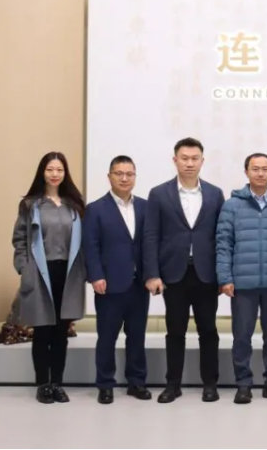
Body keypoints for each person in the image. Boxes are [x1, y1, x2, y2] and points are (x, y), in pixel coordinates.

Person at [143, 138, 225, 404]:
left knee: (208, 331)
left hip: (206, 274)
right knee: (175, 331)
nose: (190, 163)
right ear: (175, 160)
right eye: (184, 158)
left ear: (202, 161)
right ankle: (173, 385)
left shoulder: (215, 194)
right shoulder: (159, 194)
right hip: (173, 274)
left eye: (194, 158)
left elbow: (221, 237)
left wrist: (223, 275)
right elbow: (151, 236)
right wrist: (152, 274)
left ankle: (210, 384)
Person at [216, 153, 267, 405]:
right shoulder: (232, 206)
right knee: (242, 336)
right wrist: (225, 278)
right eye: (255, 169)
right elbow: (223, 244)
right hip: (243, 285)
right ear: (246, 172)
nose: (260, 173)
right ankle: (243, 384)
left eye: (265, 169)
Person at [11, 152, 87, 404]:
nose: (55, 174)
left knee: (61, 333)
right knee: (42, 331)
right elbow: (19, 239)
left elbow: (84, 241)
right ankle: (43, 384)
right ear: (42, 172)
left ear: (65, 173)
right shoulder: (30, 205)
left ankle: (57, 383)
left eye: (60, 170)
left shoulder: (74, 205)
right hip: (40, 273)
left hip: (68, 273)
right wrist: (24, 268)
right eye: (50, 169)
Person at [84, 155, 150, 404]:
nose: (124, 178)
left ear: (135, 176)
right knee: (107, 337)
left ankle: (137, 382)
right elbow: (90, 246)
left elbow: (150, 243)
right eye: (118, 173)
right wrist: (96, 276)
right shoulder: (95, 209)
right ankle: (105, 384)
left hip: (139, 284)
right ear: (109, 176)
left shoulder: (145, 207)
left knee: (137, 337)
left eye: (129, 174)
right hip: (109, 285)